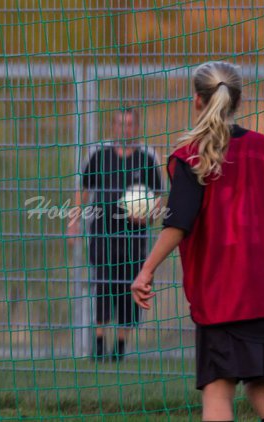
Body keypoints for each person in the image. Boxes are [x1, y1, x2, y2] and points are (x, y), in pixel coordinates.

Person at [132, 62, 264, 422]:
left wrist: (145, 271)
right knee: (263, 389)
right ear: (237, 100)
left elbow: (179, 223)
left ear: (197, 100)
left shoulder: (191, 155)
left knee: (218, 392)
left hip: (223, 296)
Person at [68, 106, 163, 360]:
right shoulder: (99, 154)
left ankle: (120, 347)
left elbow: (158, 199)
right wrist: (74, 221)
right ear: (113, 126)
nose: (125, 128)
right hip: (102, 233)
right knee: (103, 284)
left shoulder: (147, 157)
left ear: (137, 127)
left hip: (134, 236)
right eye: (121, 124)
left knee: (130, 287)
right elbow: (84, 189)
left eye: (130, 124)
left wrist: (147, 214)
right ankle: (98, 343)